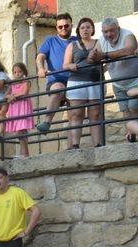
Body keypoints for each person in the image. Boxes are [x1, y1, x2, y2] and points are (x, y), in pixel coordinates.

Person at [88, 17, 138, 141]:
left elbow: (129, 50)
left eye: (112, 31)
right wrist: (92, 56)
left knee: (134, 108)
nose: (109, 34)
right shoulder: (101, 41)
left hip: (134, 81)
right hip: (117, 84)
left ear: (118, 29)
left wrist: (104, 55)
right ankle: (130, 137)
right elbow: (93, 57)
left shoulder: (128, 35)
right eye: (105, 32)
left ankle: (136, 136)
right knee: (125, 110)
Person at [62, 18, 103, 149]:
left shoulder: (99, 43)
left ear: (92, 29)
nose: (85, 30)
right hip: (76, 81)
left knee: (95, 114)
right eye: (83, 27)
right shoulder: (72, 45)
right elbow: (65, 65)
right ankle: (75, 145)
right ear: (78, 30)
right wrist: (71, 65)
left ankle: (98, 144)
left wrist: (104, 68)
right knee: (76, 114)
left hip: (95, 81)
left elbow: (105, 59)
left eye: (88, 27)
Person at [35, 13, 77, 133]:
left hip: (75, 80)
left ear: (71, 25)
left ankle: (73, 146)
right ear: (56, 28)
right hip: (56, 79)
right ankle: (47, 121)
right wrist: (40, 68)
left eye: (66, 25)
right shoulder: (50, 40)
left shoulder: (77, 41)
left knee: (73, 117)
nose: (63, 28)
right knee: (57, 89)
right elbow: (40, 56)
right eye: (60, 27)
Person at [4, 63, 34, 159]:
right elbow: (5, 95)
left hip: (23, 107)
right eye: (15, 72)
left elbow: (24, 92)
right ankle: (23, 153)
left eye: (20, 72)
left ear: (24, 72)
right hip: (15, 107)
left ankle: (25, 154)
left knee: (21, 131)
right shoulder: (12, 84)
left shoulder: (26, 81)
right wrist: (10, 96)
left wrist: (13, 96)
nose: (17, 74)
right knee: (19, 132)